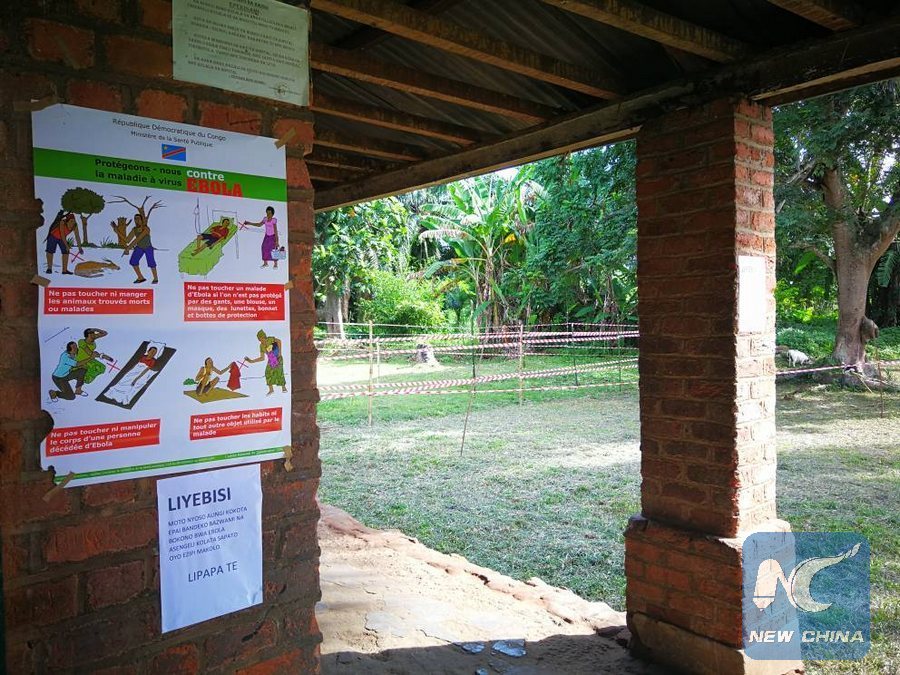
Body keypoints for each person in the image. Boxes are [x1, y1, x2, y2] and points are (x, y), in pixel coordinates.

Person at [245, 330, 287, 395]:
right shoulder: (261, 346)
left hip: (278, 357)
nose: (260, 340)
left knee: (279, 371)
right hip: (271, 359)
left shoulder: (270, 339)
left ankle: (283, 388)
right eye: (259, 339)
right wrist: (251, 361)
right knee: (267, 372)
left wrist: (280, 353)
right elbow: (262, 358)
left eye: (260, 338)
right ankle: (271, 390)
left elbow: (279, 341)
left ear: (264, 336)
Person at [123, 212, 158, 284]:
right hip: (139, 247)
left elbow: (138, 239)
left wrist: (128, 248)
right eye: (135, 219)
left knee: (151, 262)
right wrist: (117, 231)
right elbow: (127, 240)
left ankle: (155, 278)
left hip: (148, 247)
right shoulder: (134, 229)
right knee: (133, 261)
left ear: (141, 220)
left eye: (138, 219)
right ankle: (140, 277)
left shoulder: (146, 228)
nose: (137, 220)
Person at [45, 211, 84, 275]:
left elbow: (77, 236)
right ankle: (49, 269)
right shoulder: (62, 222)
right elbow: (62, 235)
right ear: (67, 221)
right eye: (71, 221)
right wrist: (67, 246)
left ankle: (64, 270)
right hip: (53, 236)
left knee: (66, 252)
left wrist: (80, 248)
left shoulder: (75, 225)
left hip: (61, 239)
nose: (73, 223)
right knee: (50, 251)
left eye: (74, 221)